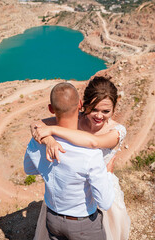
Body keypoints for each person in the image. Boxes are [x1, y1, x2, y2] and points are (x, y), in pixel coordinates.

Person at [32, 76, 130, 240]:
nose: (99, 116)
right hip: (70, 190)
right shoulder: (76, 119)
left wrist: (53, 130)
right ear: (84, 105)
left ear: (114, 109)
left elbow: (94, 143)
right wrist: (49, 139)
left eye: (106, 111)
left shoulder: (117, 131)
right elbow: (36, 124)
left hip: (102, 189)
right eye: (94, 109)